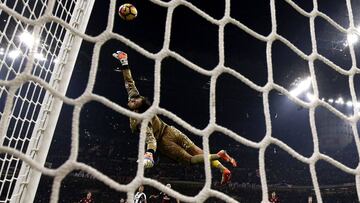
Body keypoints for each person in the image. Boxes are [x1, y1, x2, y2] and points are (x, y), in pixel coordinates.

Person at [112, 51, 237, 184]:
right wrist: (124, 61)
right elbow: (129, 81)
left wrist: (149, 154)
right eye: (134, 100)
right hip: (171, 130)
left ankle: (219, 155)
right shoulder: (134, 97)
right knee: (197, 150)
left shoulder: (141, 120)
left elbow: (151, 139)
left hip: (164, 142)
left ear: (138, 108)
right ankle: (223, 169)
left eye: (135, 101)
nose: (132, 100)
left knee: (190, 160)